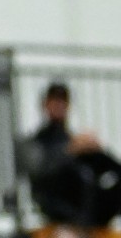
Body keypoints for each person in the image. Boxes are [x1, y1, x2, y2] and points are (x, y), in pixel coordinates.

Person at [20, 82, 121, 232]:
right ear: (45, 104)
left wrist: (97, 150)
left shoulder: (72, 138)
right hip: (58, 206)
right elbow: (40, 170)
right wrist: (69, 150)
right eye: (55, 100)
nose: (59, 105)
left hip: (87, 208)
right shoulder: (36, 143)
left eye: (63, 101)